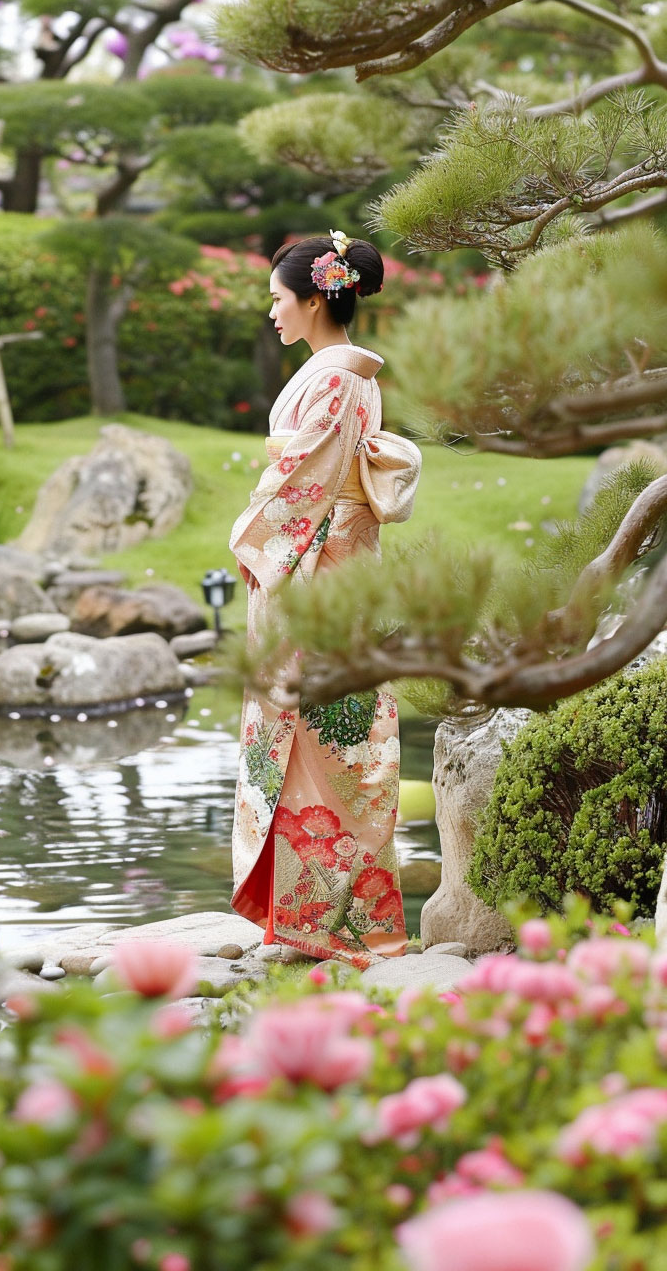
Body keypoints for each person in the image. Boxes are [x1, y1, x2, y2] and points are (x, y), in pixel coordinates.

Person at [228, 231, 423, 968]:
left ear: (313, 299)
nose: (271, 312)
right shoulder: (343, 373)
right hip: (330, 558)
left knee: (328, 736)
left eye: (278, 299)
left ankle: (346, 926)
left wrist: (259, 543)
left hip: (322, 565)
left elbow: (303, 483)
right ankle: (318, 918)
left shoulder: (337, 379)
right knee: (322, 737)